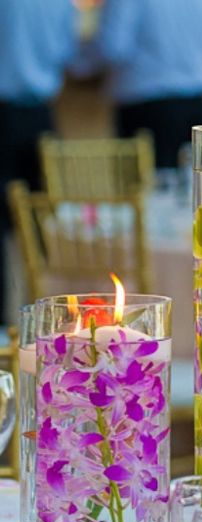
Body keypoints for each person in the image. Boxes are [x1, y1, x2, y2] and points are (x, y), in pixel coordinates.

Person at [0, 0, 78, 320]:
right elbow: (66, 53)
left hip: (10, 115)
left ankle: (16, 324)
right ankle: (47, 320)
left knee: (39, 221)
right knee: (43, 222)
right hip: (40, 116)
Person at [95, 0, 202, 170]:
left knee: (150, 189)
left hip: (147, 105)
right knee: (201, 186)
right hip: (198, 102)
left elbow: (113, 48)